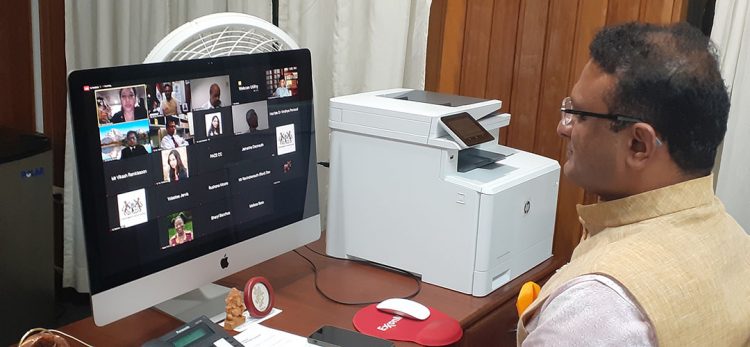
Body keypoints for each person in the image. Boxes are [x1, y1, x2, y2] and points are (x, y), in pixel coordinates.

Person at [516, 22, 750, 347]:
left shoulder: (595, 310)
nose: (563, 126)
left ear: (638, 145)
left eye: (580, 115)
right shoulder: (738, 241)